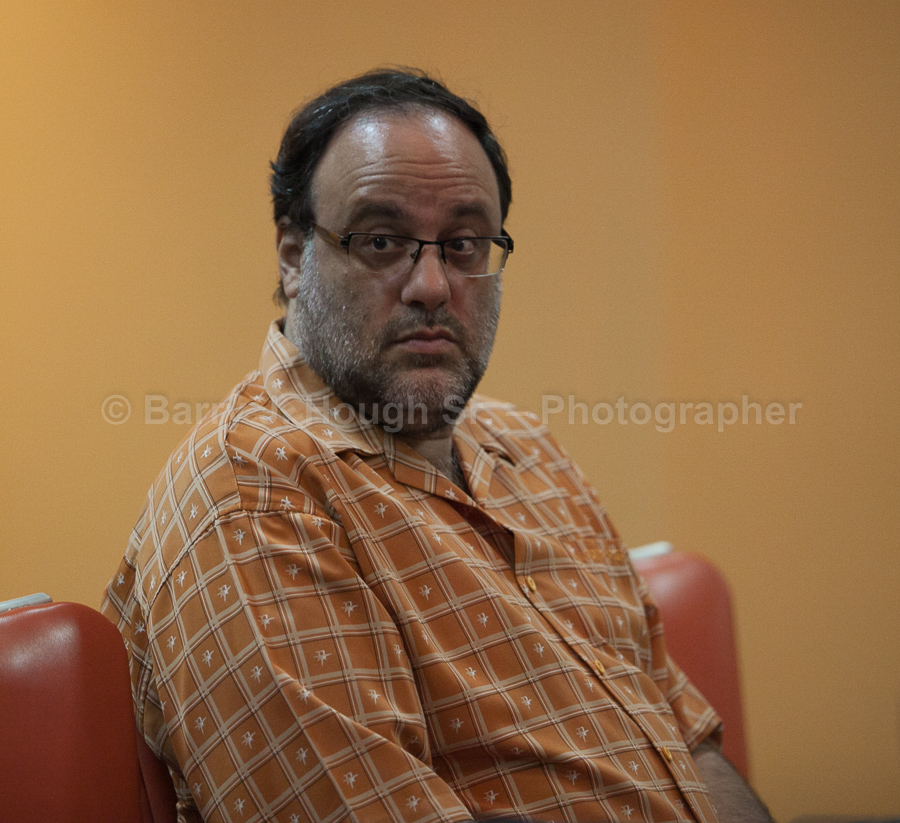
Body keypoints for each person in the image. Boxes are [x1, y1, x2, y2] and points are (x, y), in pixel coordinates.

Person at [103, 68, 774, 823]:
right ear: (293, 257)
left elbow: (686, 741)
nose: (431, 284)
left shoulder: (529, 448)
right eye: (381, 240)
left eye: (463, 243)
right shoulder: (254, 494)